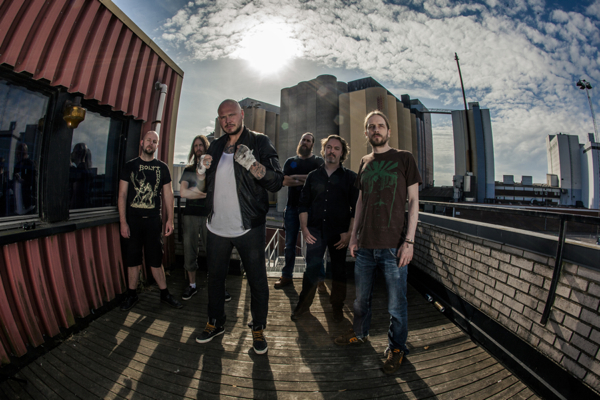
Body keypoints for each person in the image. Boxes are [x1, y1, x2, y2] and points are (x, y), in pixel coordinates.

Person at [334, 111, 421, 376]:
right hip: (365, 245)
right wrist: (354, 236)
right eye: (371, 126)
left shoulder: (404, 158)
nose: (376, 130)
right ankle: (360, 333)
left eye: (380, 126)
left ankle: (397, 348)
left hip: (394, 245)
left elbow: (414, 202)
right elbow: (360, 202)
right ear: (366, 133)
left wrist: (409, 241)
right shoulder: (364, 161)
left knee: (396, 305)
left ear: (388, 131)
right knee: (361, 300)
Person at [195, 99, 283, 355]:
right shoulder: (215, 145)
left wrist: (253, 165)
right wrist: (200, 171)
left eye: (231, 115)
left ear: (242, 114)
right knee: (215, 279)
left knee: (257, 281)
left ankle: (258, 328)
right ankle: (215, 322)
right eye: (222, 117)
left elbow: (276, 181)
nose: (227, 121)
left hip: (248, 226)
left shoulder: (259, 141)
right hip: (216, 227)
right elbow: (205, 184)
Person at [291, 135, 358, 323]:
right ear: (324, 150)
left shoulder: (350, 177)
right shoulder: (313, 176)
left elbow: (356, 208)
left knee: (339, 272)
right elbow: (303, 204)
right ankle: (303, 307)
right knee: (311, 270)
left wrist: (349, 233)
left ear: (342, 153)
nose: (332, 151)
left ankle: (337, 308)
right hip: (315, 232)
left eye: (336, 148)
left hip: (340, 233)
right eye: (329, 147)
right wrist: (304, 229)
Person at [118, 130, 183, 311]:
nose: (151, 144)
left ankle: (165, 294)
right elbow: (122, 194)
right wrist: (123, 222)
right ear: (142, 142)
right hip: (133, 221)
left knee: (155, 259)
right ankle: (132, 295)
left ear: (157, 145)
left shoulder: (162, 168)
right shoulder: (130, 166)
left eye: (154, 141)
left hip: (153, 221)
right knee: (133, 259)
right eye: (148, 140)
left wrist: (170, 220)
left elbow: (168, 194)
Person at [179, 135, 232, 302]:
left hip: (209, 216)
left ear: (206, 147)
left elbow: (218, 191)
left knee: (214, 253)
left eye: (201, 145)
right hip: (190, 216)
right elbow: (183, 193)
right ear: (193, 149)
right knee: (189, 251)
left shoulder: (213, 169)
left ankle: (219, 287)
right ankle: (192, 285)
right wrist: (206, 194)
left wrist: (195, 193)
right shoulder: (188, 170)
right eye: (195, 146)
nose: (198, 148)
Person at [275, 132, 324, 290]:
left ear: (312, 145)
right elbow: (284, 181)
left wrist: (295, 177)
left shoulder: (318, 161)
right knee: (289, 245)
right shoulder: (291, 162)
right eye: (303, 139)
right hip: (292, 208)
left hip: (312, 210)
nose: (305, 142)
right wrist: (308, 179)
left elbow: (320, 181)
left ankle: (318, 279)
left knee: (314, 245)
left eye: (308, 140)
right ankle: (286, 276)